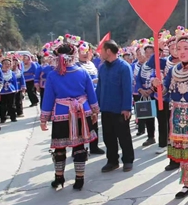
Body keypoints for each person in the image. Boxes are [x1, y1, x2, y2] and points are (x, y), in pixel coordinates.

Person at [152, 26, 188, 200]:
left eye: (186, 48)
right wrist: (158, 85)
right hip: (178, 116)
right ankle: (187, 184)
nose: (182, 52)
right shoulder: (173, 70)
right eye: (179, 49)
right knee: (183, 153)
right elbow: (164, 94)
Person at [40, 41, 100, 190]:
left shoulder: (53, 75)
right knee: (79, 145)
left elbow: (48, 98)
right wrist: (95, 111)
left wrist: (44, 119)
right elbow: (91, 94)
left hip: (62, 112)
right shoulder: (82, 71)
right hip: (81, 112)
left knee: (59, 147)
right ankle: (79, 179)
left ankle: (59, 178)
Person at [96, 39, 135, 172]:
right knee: (108, 136)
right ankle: (112, 161)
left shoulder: (124, 67)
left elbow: (127, 89)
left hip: (120, 109)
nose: (100, 53)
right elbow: (99, 87)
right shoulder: (102, 67)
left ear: (108, 51)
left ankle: (128, 160)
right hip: (106, 108)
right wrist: (96, 105)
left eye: (101, 50)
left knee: (124, 136)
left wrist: (126, 108)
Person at [146, 30, 181, 171]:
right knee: (165, 124)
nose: (177, 51)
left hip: (186, 103)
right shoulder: (165, 62)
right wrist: (158, 48)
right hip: (166, 98)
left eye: (179, 48)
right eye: (173, 48)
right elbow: (149, 63)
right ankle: (170, 154)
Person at [75, 39, 105, 155]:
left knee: (94, 124)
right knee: (79, 125)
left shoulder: (92, 64)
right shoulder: (76, 66)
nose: (85, 53)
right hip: (81, 100)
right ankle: (77, 149)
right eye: (82, 51)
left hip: (94, 97)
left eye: (87, 51)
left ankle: (94, 146)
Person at [134, 39, 158, 148]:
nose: (148, 54)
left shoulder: (158, 64)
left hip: (156, 95)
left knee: (161, 118)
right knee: (148, 117)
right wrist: (141, 90)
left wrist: (152, 89)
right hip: (145, 95)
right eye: (146, 52)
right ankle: (151, 137)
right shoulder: (143, 66)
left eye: (151, 52)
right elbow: (138, 79)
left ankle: (165, 137)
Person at [0, 55, 25, 123]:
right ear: (2, 65)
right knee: (2, 105)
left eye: (8, 64)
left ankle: (13, 117)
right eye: (5, 64)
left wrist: (16, 89)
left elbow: (15, 82)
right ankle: (3, 118)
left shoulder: (12, 73)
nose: (7, 65)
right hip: (2, 91)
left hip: (11, 91)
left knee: (12, 105)